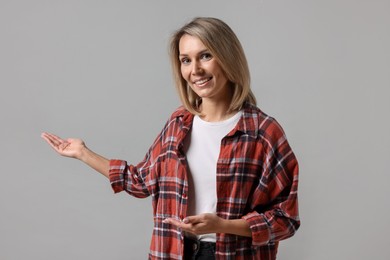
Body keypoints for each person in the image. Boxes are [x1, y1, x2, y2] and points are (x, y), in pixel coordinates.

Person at [41, 17, 300, 260]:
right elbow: (140, 181)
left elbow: (285, 219)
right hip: (175, 250)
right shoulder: (179, 124)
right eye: (185, 60)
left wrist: (222, 226)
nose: (195, 70)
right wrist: (82, 152)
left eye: (206, 56)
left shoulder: (263, 132)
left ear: (228, 58)